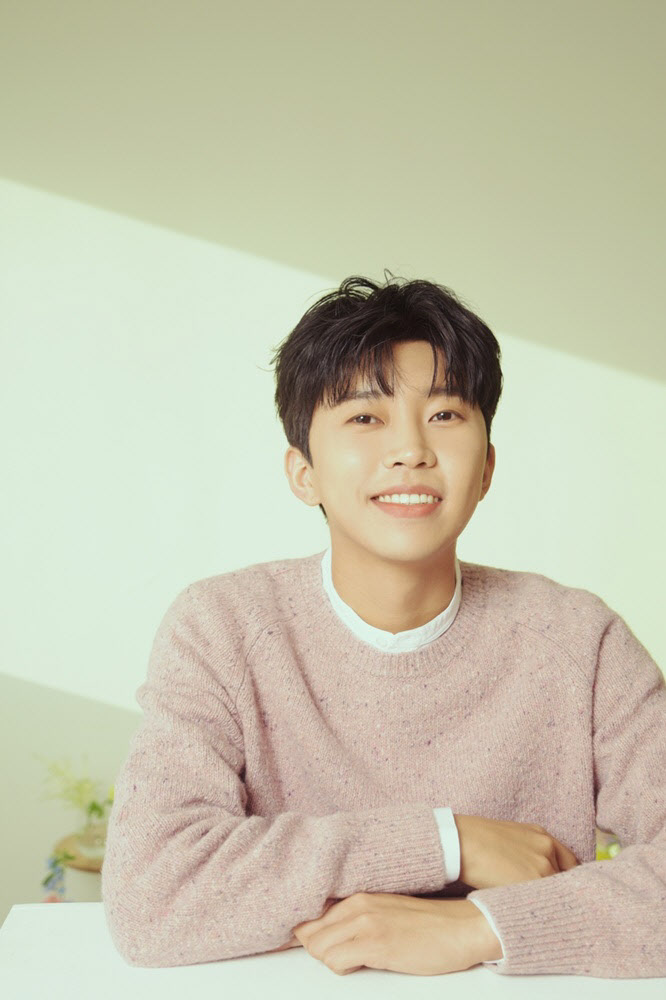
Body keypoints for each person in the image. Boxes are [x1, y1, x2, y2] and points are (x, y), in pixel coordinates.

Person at [102, 273, 666, 977]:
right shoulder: (222, 628)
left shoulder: (581, 640)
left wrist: (479, 928)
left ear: (487, 468)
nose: (411, 450)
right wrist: (447, 843)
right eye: (365, 418)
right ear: (303, 472)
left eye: (445, 414)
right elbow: (150, 895)